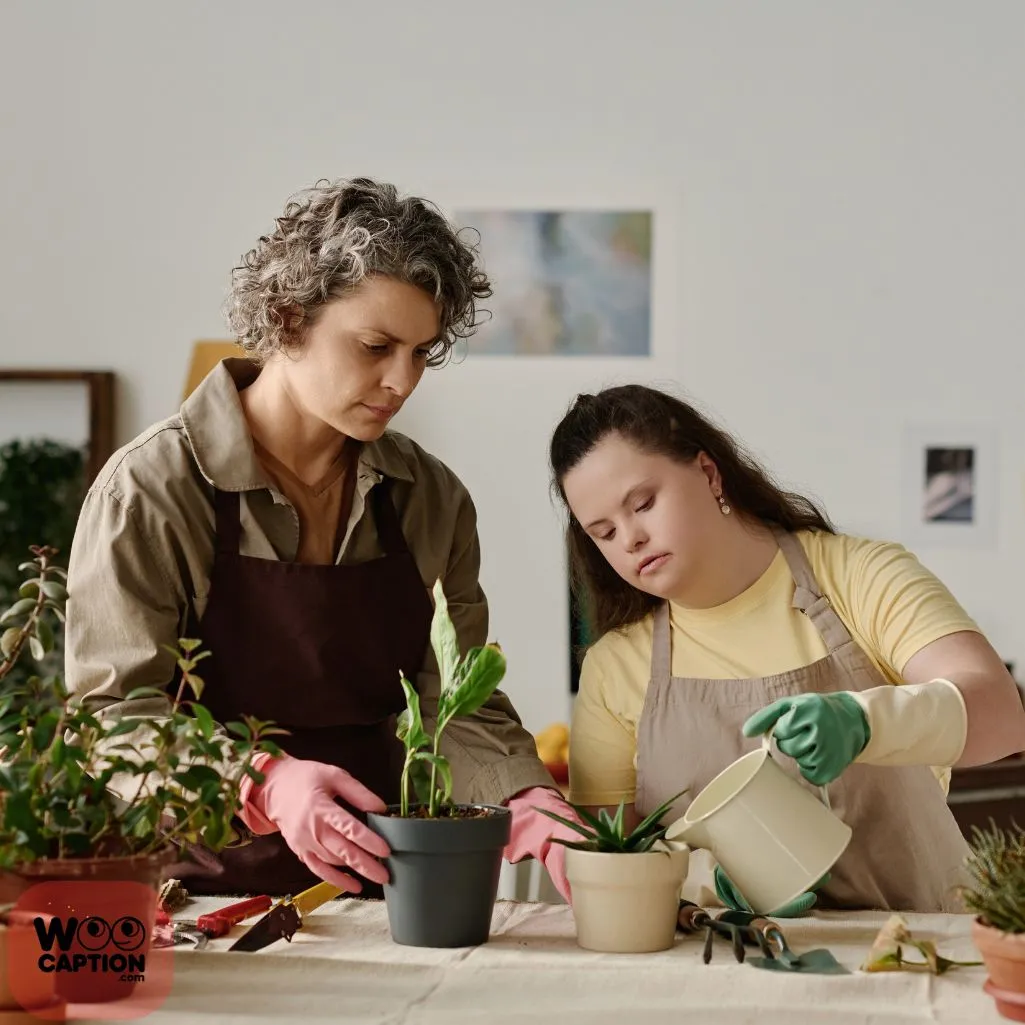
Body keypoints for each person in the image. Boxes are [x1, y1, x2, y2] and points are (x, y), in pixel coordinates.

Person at [65, 177, 579, 898]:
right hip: (190, 893)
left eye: (422, 354)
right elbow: (113, 714)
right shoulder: (151, 489)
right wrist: (266, 781)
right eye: (375, 346)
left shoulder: (429, 498)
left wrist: (525, 795)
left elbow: (453, 698)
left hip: (385, 881)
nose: (401, 381)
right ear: (287, 317)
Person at [550, 383, 1025, 913]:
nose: (630, 538)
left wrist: (866, 722)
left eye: (643, 503)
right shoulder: (614, 666)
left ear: (708, 474)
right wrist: (699, 882)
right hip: (732, 965)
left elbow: (1002, 716)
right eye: (604, 532)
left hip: (920, 952)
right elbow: (609, 862)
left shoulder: (859, 576)